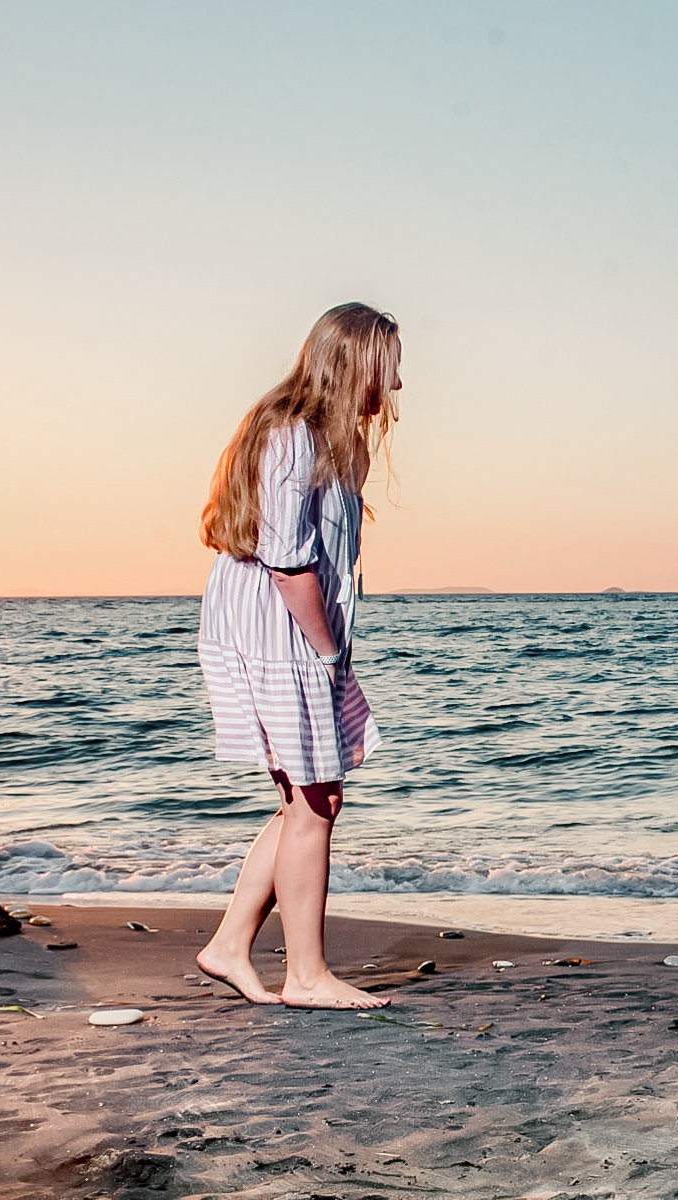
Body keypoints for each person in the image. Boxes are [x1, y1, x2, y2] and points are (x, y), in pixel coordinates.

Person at [191, 302, 401, 1009]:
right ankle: (306, 975)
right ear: (355, 364)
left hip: (296, 627)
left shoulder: (341, 444)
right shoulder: (290, 437)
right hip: (273, 626)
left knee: (307, 797)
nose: (396, 385)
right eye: (388, 366)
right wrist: (329, 646)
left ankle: (228, 946)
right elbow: (287, 564)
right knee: (315, 798)